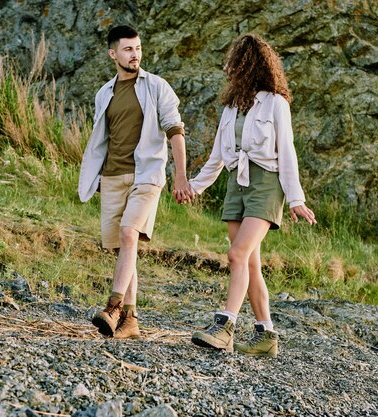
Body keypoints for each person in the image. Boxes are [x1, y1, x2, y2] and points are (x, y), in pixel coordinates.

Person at [187, 33, 316, 356]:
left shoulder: (275, 104)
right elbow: (217, 156)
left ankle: (225, 326)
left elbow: (287, 152)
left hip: (266, 184)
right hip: (236, 183)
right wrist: (194, 186)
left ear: (248, 65)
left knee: (237, 255)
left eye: (233, 62)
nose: (227, 68)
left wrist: (296, 199)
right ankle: (266, 334)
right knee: (250, 263)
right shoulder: (230, 107)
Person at [78, 25, 193, 339]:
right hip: (112, 177)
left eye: (138, 48)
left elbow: (175, 131)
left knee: (130, 233)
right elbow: (102, 139)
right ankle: (130, 321)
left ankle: (113, 307)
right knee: (123, 248)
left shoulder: (156, 86)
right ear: (113, 53)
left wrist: (180, 176)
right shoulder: (104, 93)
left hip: (146, 175)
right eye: (128, 49)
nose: (135, 54)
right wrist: (97, 176)